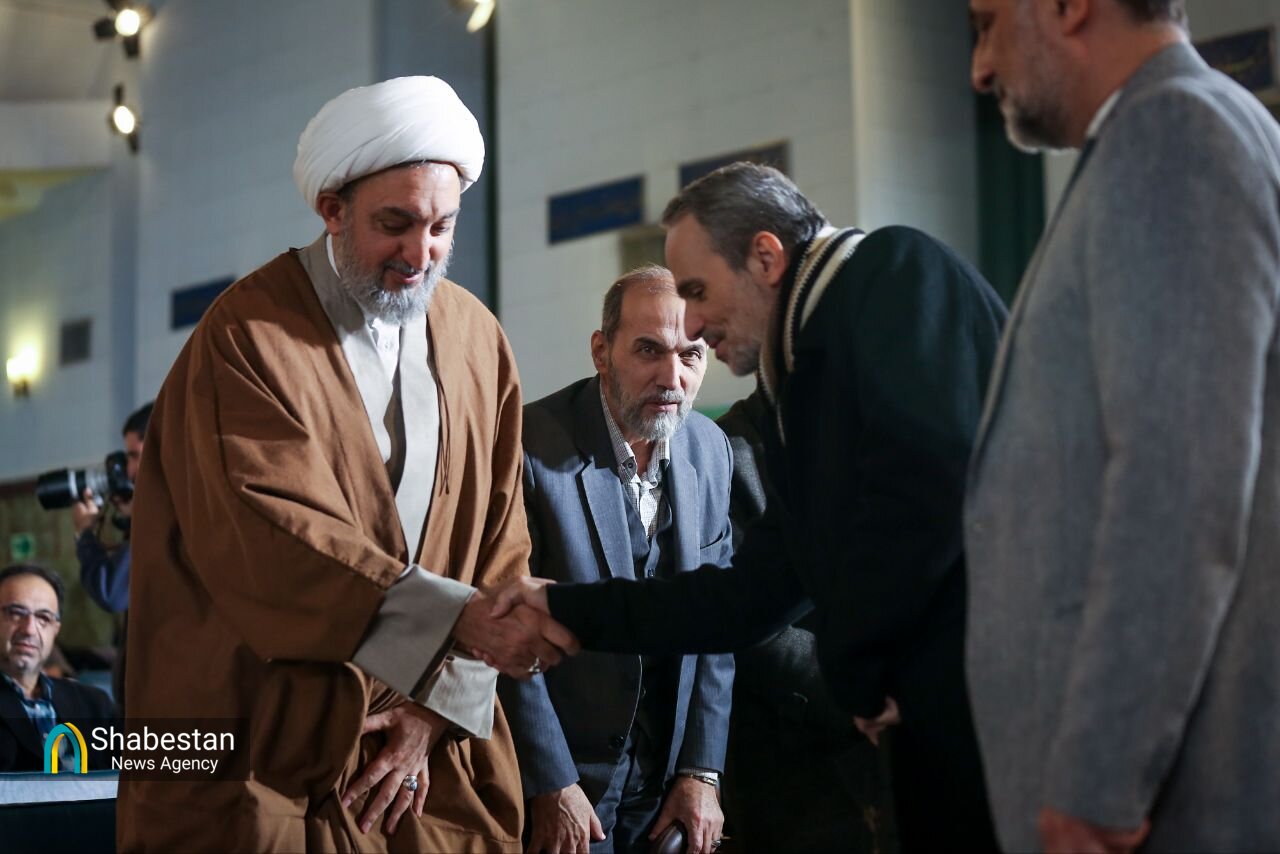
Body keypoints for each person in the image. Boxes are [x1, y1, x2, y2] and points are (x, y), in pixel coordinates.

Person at [118, 76, 576, 853]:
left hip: (431, 743)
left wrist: (439, 705)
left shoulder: (477, 338)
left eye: (441, 227)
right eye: (395, 224)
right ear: (332, 209)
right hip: (262, 736)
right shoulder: (247, 334)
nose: (420, 254)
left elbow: (502, 542)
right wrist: (452, 621)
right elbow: (272, 537)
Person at [493, 162, 1007, 851]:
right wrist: (562, 607)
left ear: (765, 257)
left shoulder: (895, 273)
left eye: (697, 292)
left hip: (1005, 697)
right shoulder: (798, 376)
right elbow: (753, 596)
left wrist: (871, 671)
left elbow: (936, 501)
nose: (694, 324)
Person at [964, 1, 1280, 851]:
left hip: (1167, 796)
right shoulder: (1177, 132)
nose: (981, 69)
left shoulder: (1171, 136)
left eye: (989, 24)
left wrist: (1102, 777)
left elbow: (1177, 487)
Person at [498, 266, 734, 854]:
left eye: (691, 355)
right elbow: (506, 625)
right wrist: (550, 782)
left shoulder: (711, 447)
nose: (672, 377)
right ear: (602, 351)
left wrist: (701, 771)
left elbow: (721, 624)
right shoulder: (527, 446)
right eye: (649, 350)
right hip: (568, 777)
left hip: (665, 781)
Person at [715, 389, 895, 854]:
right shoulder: (726, 450)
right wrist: (862, 690)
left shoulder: (885, 427)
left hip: (902, 746)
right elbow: (746, 623)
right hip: (800, 766)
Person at [0, 564, 115, 771]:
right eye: (16, 613)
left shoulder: (95, 705)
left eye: (43, 618)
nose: (29, 629)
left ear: (55, 630)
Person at [71, 402, 152, 615]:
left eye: (134, 455)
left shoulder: (167, 515)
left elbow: (112, 592)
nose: (129, 470)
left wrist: (84, 532)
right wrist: (135, 517)